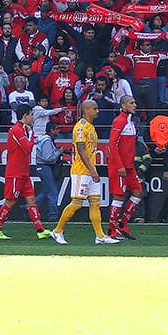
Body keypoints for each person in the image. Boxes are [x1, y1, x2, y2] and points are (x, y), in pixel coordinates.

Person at [52, 100, 118, 245]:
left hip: (89, 171)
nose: (98, 111)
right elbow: (81, 150)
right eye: (95, 108)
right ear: (87, 110)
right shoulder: (81, 127)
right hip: (81, 171)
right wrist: (92, 170)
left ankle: (100, 236)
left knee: (95, 203)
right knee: (76, 203)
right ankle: (57, 231)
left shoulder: (91, 127)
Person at [0, 105, 52, 239]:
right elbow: (28, 148)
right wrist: (32, 135)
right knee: (10, 202)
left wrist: (31, 135)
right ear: (25, 115)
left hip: (24, 172)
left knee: (31, 200)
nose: (32, 118)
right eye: (31, 115)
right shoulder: (17, 130)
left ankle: (40, 230)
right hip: (15, 173)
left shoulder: (23, 130)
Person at [106, 96, 143, 240]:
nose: (135, 105)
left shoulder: (130, 122)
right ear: (123, 105)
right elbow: (112, 145)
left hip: (129, 166)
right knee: (119, 196)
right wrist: (120, 166)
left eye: (135, 102)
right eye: (132, 103)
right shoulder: (119, 121)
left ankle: (122, 224)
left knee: (138, 192)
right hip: (119, 166)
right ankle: (111, 229)